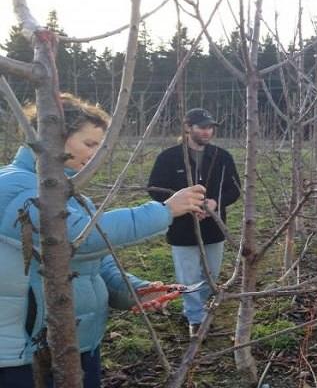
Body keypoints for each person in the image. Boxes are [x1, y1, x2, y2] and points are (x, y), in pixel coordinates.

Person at [0, 93, 206, 388]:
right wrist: (165, 211)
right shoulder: (12, 185)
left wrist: (135, 290)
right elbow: (77, 238)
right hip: (25, 354)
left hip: (77, 341)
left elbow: (96, 260)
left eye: (100, 145)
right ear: (53, 137)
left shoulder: (74, 195)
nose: (95, 154)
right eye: (89, 144)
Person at [148, 108, 240, 336]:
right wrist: (183, 205)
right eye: (202, 127)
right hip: (182, 227)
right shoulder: (168, 158)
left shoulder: (222, 157)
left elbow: (234, 189)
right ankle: (195, 318)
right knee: (188, 276)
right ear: (188, 128)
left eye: (210, 127)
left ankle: (197, 306)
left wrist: (214, 204)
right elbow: (154, 188)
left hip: (213, 226)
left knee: (212, 274)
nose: (207, 132)